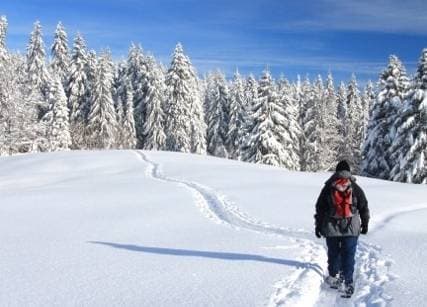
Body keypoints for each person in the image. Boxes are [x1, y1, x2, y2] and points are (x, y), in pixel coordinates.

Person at [314, 160, 370, 297]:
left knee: (333, 252)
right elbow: (364, 206)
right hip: (351, 227)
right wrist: (365, 223)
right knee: (348, 254)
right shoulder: (355, 187)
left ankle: (334, 277)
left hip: (331, 226)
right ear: (349, 171)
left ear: (336, 171)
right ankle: (348, 282)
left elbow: (320, 207)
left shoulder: (329, 186)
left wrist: (318, 225)